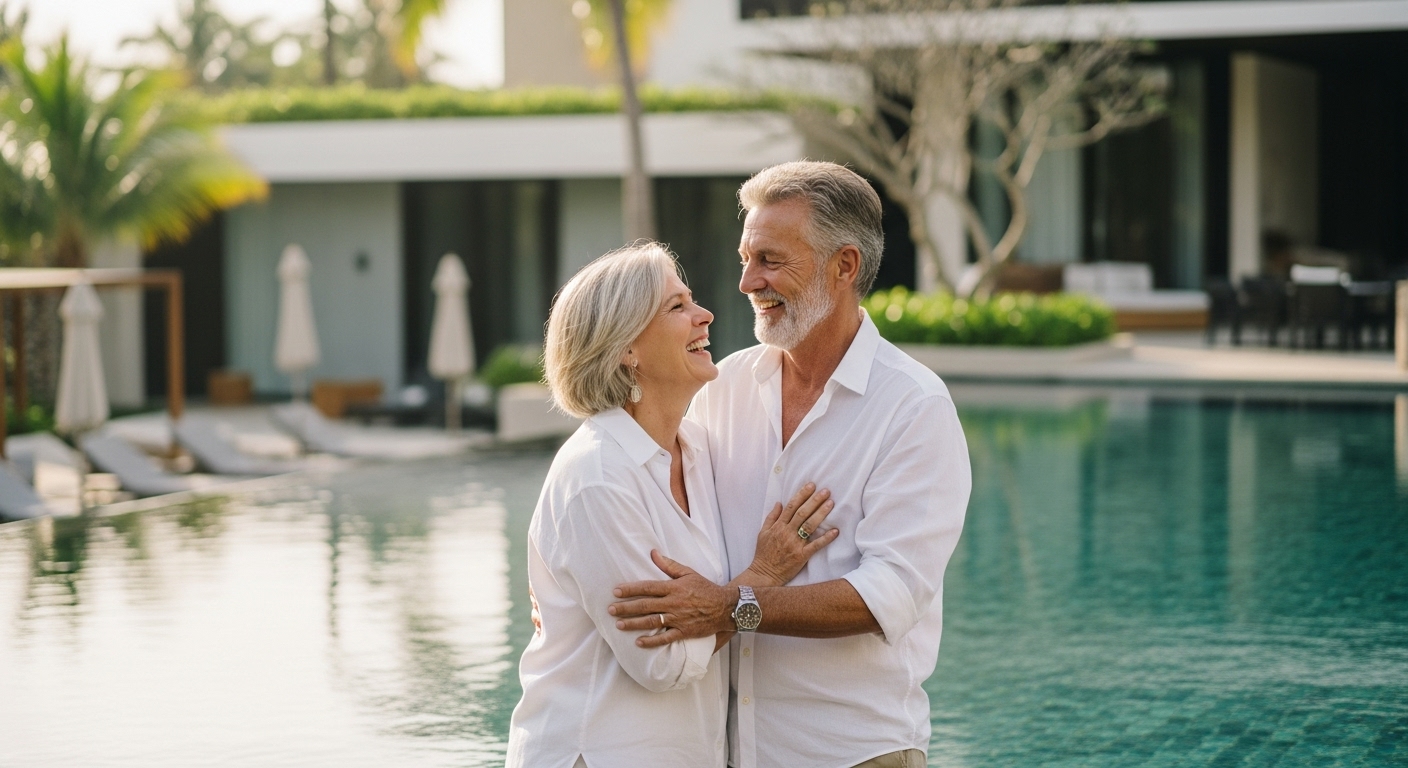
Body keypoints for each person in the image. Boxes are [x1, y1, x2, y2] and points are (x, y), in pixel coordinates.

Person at [607, 162, 972, 768]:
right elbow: (650, 491)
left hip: (854, 754)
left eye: (771, 260)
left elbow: (890, 595)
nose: (748, 282)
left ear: (844, 266)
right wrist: (567, 580)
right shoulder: (721, 388)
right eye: (746, 258)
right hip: (727, 752)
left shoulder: (915, 408)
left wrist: (733, 606)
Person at [505, 242, 840, 768]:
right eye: (677, 307)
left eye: (692, 300)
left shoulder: (700, 449)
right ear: (626, 349)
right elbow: (662, 663)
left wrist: (718, 605)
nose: (704, 315)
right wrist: (764, 576)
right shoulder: (598, 477)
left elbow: (699, 617)